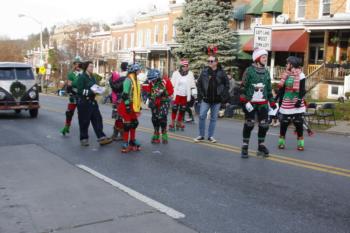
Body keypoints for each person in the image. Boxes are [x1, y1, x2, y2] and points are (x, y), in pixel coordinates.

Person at [239, 48, 276, 158]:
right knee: (249, 124)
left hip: (263, 104)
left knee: (264, 125)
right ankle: (245, 146)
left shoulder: (266, 72)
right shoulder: (249, 70)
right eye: (263, 57)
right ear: (257, 58)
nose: (265, 59)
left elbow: (268, 89)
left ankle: (261, 146)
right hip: (250, 102)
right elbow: (242, 88)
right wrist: (244, 101)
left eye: (266, 57)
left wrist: (272, 102)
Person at [76, 61, 112, 146]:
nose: (92, 68)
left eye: (92, 67)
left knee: (97, 119)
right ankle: (84, 138)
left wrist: (101, 90)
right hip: (84, 102)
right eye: (90, 67)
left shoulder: (93, 77)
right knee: (84, 121)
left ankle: (101, 137)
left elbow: (96, 87)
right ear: (86, 68)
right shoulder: (82, 77)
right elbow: (80, 90)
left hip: (92, 102)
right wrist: (90, 91)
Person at [194, 55, 229, 143]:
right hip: (206, 99)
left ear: (216, 62)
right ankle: (201, 135)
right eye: (208, 61)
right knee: (202, 116)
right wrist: (201, 95)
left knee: (213, 119)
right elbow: (199, 84)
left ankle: (210, 136)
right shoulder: (204, 72)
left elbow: (227, 85)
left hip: (217, 100)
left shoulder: (221, 72)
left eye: (211, 61)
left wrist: (222, 95)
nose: (209, 62)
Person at [276, 56, 306, 151]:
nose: (286, 64)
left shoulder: (301, 75)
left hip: (297, 101)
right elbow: (282, 89)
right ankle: (281, 143)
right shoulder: (286, 74)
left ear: (292, 64)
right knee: (284, 123)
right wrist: (276, 98)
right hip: (287, 101)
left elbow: (302, 90)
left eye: (287, 63)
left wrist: (299, 100)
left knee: (298, 123)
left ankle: (300, 144)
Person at [118, 63, 142, 153]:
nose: (140, 71)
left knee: (134, 123)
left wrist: (139, 106)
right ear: (134, 71)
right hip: (126, 105)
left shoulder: (136, 80)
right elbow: (125, 94)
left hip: (133, 105)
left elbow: (138, 94)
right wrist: (128, 105)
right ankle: (125, 142)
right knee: (127, 125)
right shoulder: (128, 80)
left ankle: (132, 140)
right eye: (138, 70)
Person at [146, 69, 174, 144]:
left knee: (162, 119)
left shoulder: (165, 81)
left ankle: (164, 134)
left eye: (153, 79)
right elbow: (149, 89)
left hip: (163, 102)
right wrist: (149, 95)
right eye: (151, 79)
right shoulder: (151, 82)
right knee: (154, 119)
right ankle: (156, 133)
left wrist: (165, 93)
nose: (152, 81)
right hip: (154, 102)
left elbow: (171, 90)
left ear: (157, 77)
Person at [170, 59, 196, 131]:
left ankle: (179, 122)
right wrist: (171, 93)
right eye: (184, 66)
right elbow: (172, 84)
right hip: (177, 94)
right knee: (175, 108)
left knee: (182, 109)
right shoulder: (176, 73)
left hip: (185, 95)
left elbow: (192, 85)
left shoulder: (190, 73)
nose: (185, 67)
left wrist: (194, 94)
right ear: (181, 66)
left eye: (186, 66)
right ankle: (172, 122)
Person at [60, 57, 82, 136]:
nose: (78, 65)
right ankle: (67, 126)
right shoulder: (71, 74)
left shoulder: (83, 73)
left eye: (79, 64)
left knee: (82, 114)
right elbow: (69, 85)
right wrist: (70, 87)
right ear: (74, 65)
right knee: (69, 112)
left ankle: (83, 129)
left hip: (82, 96)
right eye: (76, 64)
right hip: (73, 96)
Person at [109, 62, 128, 141]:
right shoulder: (127, 76)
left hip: (117, 98)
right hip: (122, 98)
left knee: (118, 117)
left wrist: (110, 80)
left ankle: (118, 134)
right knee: (120, 117)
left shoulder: (118, 75)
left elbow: (114, 87)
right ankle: (118, 134)